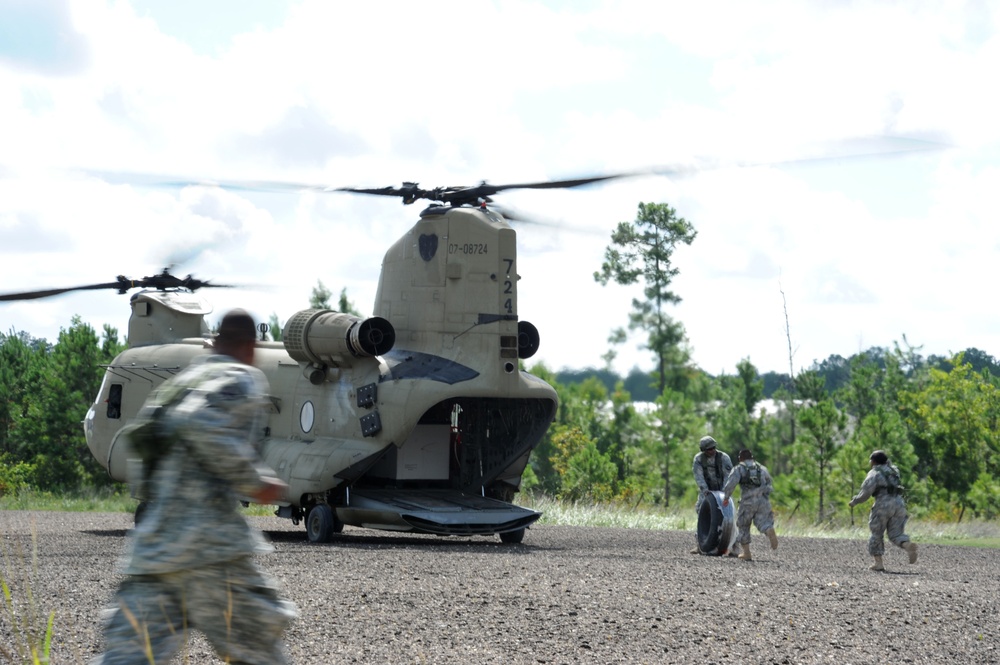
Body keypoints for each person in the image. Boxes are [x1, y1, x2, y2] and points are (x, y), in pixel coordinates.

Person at [94, 309, 297, 665]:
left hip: (154, 552)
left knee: (126, 659)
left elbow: (143, 440)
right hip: (210, 552)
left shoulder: (180, 382)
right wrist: (255, 480)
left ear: (215, 341)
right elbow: (201, 421)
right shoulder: (239, 376)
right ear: (250, 346)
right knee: (260, 654)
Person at [848, 449, 918, 571]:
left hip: (883, 505)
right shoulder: (894, 471)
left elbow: (866, 493)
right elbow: (891, 466)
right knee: (896, 534)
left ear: (873, 461)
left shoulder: (874, 474)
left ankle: (878, 563)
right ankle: (907, 546)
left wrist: (855, 501)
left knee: (877, 533)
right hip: (899, 503)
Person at [721, 449, 778, 561]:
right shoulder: (762, 468)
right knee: (763, 522)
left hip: (747, 502)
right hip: (763, 501)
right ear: (752, 457)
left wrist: (726, 497)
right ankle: (769, 529)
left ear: (740, 458)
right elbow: (769, 485)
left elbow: (730, 484)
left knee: (743, 525)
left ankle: (747, 553)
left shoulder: (739, 469)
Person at [690, 435, 738, 556]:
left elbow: (729, 475)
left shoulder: (723, 457)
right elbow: (698, 476)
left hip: (722, 491)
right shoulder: (699, 459)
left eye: (713, 448)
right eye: (709, 449)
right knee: (701, 512)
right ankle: (700, 545)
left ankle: (734, 547)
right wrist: (705, 490)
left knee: (731, 516)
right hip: (706, 491)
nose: (712, 451)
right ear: (703, 450)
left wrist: (725, 492)